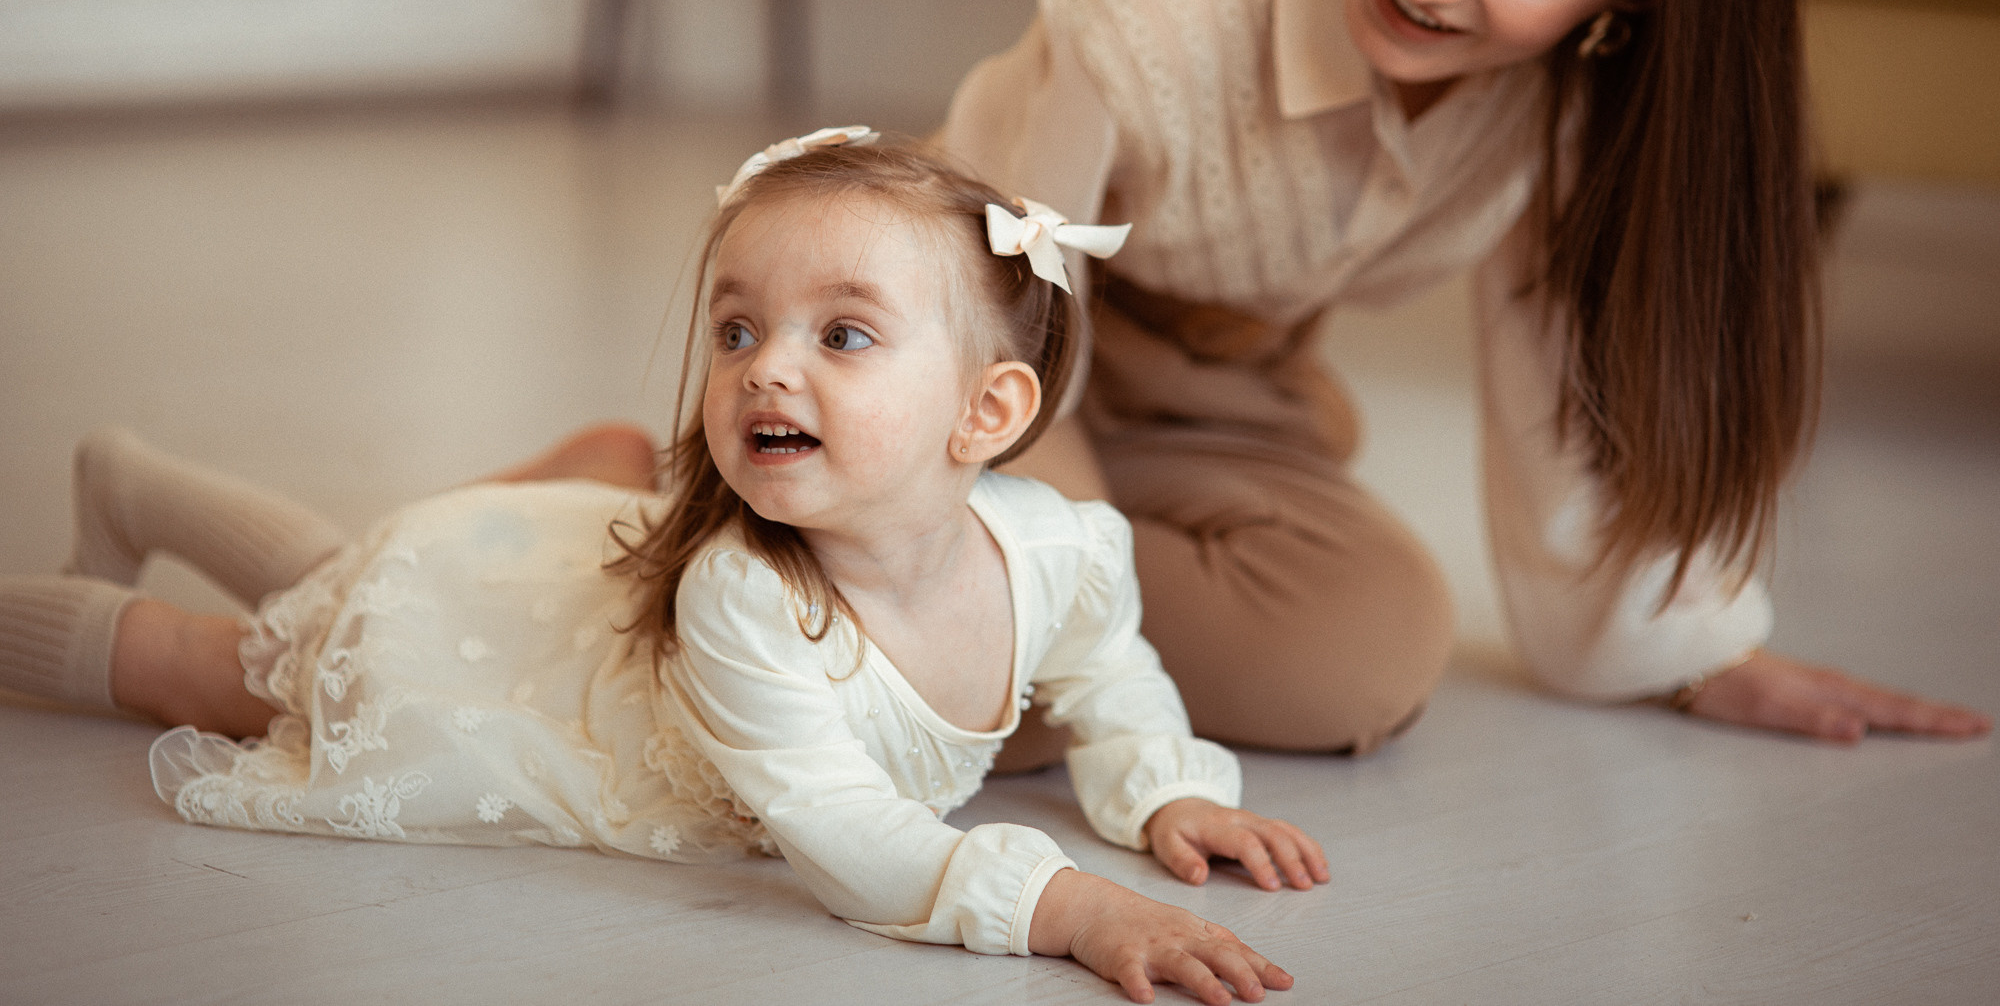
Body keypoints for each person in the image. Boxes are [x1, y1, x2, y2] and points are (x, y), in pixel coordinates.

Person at [500, 0, 1990, 757]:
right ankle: (650, 497)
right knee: (954, 692)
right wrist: (1051, 628)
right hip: (975, 363)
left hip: (1232, 393)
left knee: (1369, 650)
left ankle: (789, 556)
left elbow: (1561, 385)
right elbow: (1000, 313)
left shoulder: (1596, 96)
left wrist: (1686, 653)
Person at [0, 133, 1330, 1006]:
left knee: (341, 584)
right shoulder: (746, 599)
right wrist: (1072, 907)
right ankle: (111, 530)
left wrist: (1163, 787)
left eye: (845, 334)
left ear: (985, 414)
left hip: (542, 597)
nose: (767, 365)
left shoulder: (1064, 547)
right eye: (739, 326)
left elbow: (1112, 670)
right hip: (522, 679)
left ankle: (132, 480)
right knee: (243, 666)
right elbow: (852, 839)